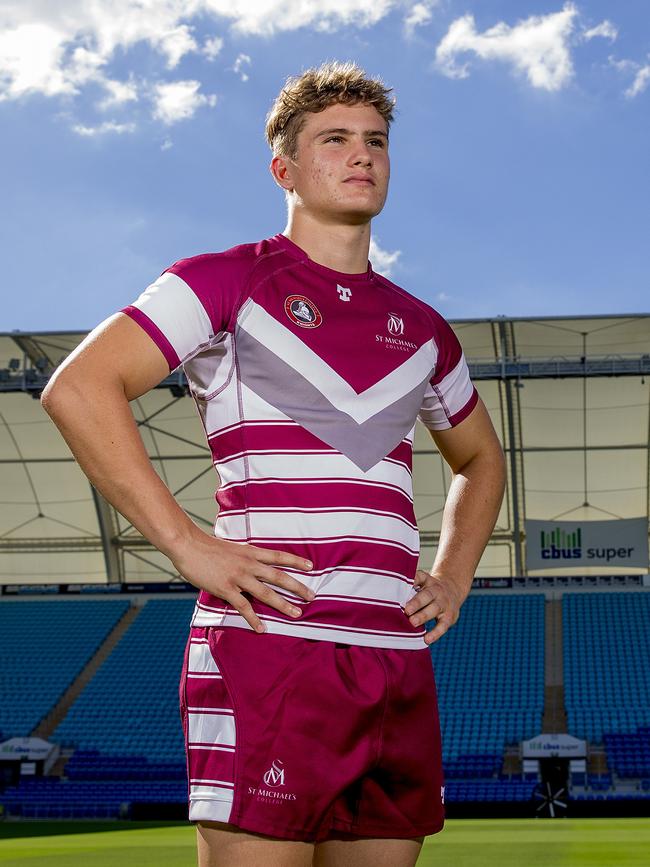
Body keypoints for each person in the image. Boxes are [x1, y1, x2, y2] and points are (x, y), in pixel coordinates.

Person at [41, 61, 506, 867]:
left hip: (394, 657)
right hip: (270, 645)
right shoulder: (225, 279)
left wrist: (455, 573)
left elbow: (481, 458)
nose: (361, 155)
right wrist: (188, 544)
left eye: (375, 141)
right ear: (284, 168)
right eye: (335, 140)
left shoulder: (424, 326)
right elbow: (80, 387)